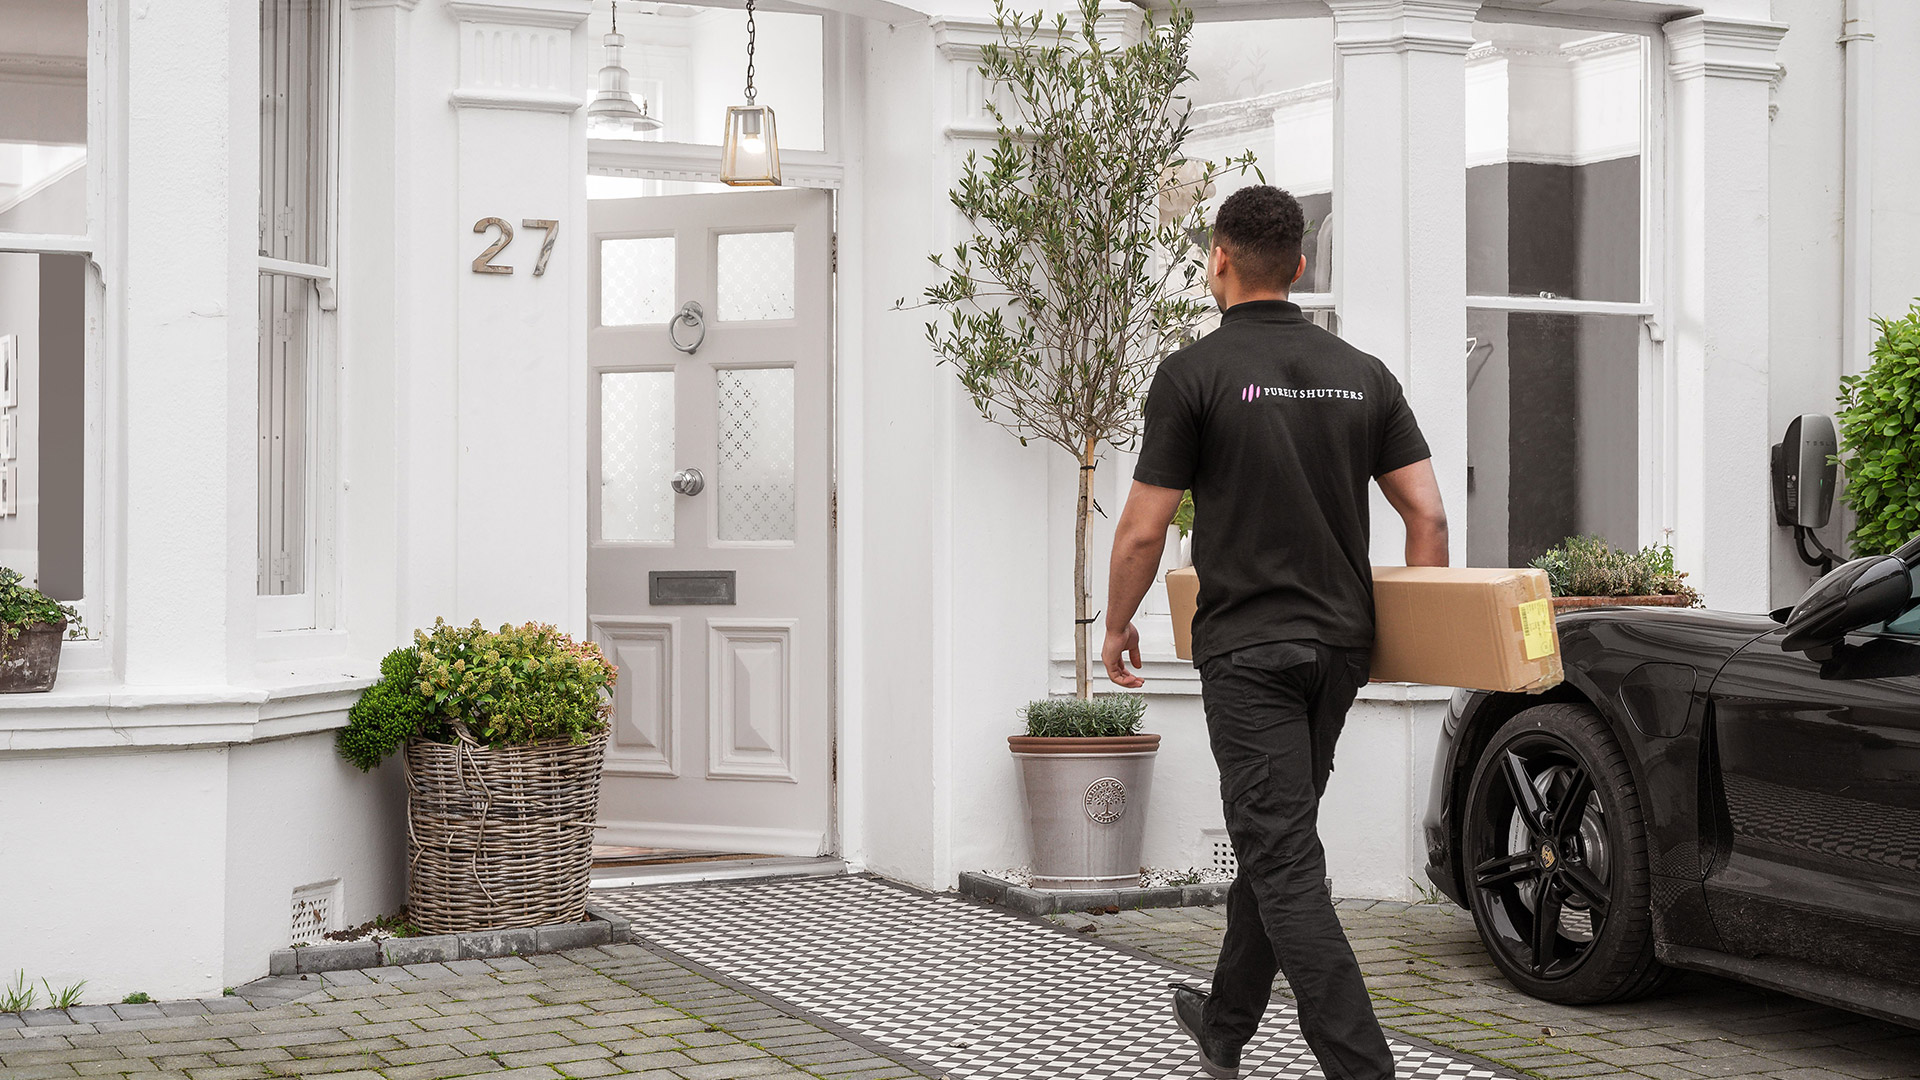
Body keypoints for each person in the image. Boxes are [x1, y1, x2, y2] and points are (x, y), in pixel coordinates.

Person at [1101, 185, 1449, 1080]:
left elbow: (1144, 529)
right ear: (1301, 265)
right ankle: (1223, 1024)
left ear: (1218, 258)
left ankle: (1365, 1069)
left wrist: (1114, 626)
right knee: (1278, 838)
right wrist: (1417, 631)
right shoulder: (1365, 373)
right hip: (1339, 648)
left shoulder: (1192, 374)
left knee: (1283, 856)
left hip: (1250, 653)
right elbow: (1428, 521)